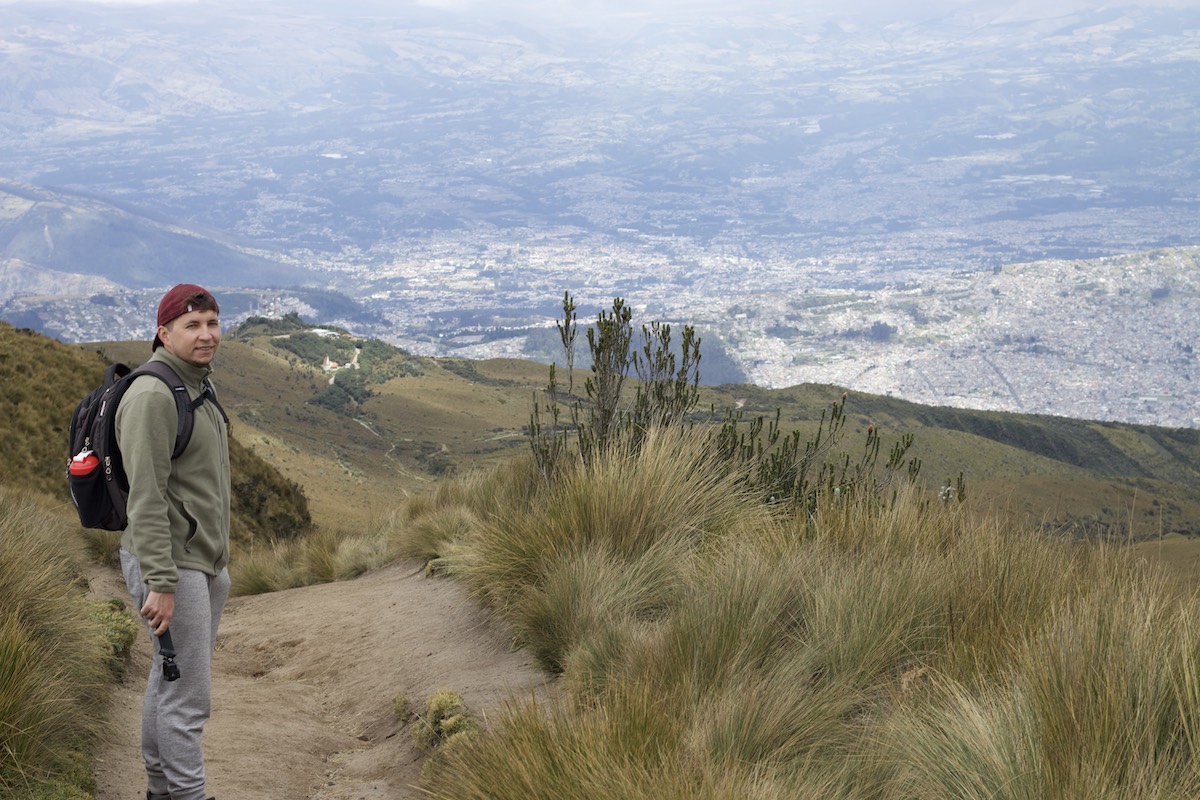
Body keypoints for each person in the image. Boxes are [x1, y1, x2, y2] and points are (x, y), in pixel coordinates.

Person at [117, 283, 231, 800]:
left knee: (170, 682)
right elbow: (145, 498)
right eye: (192, 325)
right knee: (188, 698)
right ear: (164, 333)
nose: (206, 335)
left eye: (212, 323)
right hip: (170, 563)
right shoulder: (153, 396)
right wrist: (160, 583)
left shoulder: (198, 386)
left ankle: (159, 791)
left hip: (200, 561)